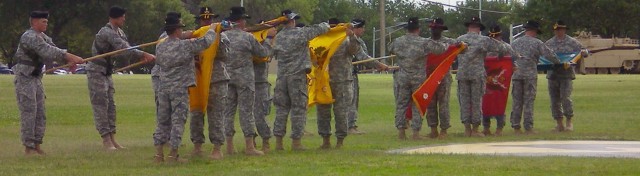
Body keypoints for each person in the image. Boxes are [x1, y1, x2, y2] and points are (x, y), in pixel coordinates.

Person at [13, 11, 84, 155]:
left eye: (46, 21)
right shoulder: (29, 36)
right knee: (29, 112)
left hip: (36, 78)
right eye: (43, 21)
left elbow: (54, 49)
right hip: (25, 78)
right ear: (33, 22)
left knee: (40, 113)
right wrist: (70, 56)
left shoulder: (44, 37)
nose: (46, 24)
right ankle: (29, 147)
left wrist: (68, 61)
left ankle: (37, 144)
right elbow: (47, 51)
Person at [87, 6, 155, 150]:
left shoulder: (120, 32)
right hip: (96, 71)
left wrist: (138, 58)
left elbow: (124, 52)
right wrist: (143, 54)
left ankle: (112, 138)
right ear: (115, 17)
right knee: (101, 105)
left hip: (107, 72)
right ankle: (106, 140)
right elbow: (123, 47)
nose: (124, 19)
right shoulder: (106, 32)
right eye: (122, 16)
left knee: (111, 105)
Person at [153, 13, 218, 163]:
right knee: (178, 120)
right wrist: (212, 29)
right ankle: (173, 154)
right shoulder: (185, 45)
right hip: (179, 88)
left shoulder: (160, 46)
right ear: (176, 30)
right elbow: (206, 42)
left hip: (163, 88)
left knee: (162, 121)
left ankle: (158, 154)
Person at [316, 18, 387, 149]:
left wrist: (378, 64)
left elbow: (359, 54)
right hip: (324, 82)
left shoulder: (346, 40)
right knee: (323, 112)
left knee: (341, 112)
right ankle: (325, 140)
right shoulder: (320, 40)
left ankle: (339, 141)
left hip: (342, 81)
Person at [272, 9, 330, 151]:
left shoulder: (278, 37)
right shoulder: (300, 34)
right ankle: (296, 142)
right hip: (296, 78)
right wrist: (328, 25)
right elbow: (320, 29)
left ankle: (278, 143)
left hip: (281, 78)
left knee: (281, 110)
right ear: (292, 21)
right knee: (298, 109)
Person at [222, 7, 274, 156]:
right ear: (240, 21)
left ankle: (229, 146)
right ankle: (249, 146)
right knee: (246, 112)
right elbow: (263, 53)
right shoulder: (247, 37)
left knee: (228, 112)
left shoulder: (223, 36)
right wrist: (268, 39)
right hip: (245, 79)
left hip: (227, 78)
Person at [389, 17, 447, 140]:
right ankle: (416, 133)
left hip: (402, 77)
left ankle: (401, 132)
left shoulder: (398, 41)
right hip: (418, 79)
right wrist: (448, 45)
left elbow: (390, 48)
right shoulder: (424, 42)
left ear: (407, 29)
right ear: (418, 29)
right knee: (417, 104)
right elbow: (439, 50)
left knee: (401, 105)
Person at [456, 17, 512, 137]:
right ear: (479, 28)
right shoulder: (484, 40)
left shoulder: (459, 40)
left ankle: (467, 129)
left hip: (462, 75)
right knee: (476, 102)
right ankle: (475, 130)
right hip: (477, 75)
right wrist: (501, 57)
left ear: (468, 27)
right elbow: (502, 48)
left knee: (465, 102)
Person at [510, 20, 561, 135]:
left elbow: (509, 56)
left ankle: (516, 126)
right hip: (530, 76)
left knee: (517, 101)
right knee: (528, 101)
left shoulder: (515, 42)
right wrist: (559, 62)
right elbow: (549, 55)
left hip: (516, 74)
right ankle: (528, 127)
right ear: (535, 31)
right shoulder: (537, 43)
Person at [188, 6, 220, 157]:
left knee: (215, 113)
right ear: (199, 20)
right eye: (204, 19)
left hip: (215, 78)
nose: (206, 21)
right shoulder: (192, 36)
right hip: (196, 77)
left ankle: (217, 147)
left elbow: (227, 55)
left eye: (209, 19)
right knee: (196, 112)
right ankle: (197, 146)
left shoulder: (220, 35)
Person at [347, 18, 388, 135]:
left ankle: (349, 126)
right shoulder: (351, 41)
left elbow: (364, 60)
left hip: (351, 73)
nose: (364, 30)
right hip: (348, 75)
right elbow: (362, 57)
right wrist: (379, 64)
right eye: (362, 28)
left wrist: (376, 66)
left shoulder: (357, 41)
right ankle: (350, 126)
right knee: (351, 101)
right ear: (355, 28)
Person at [545, 20, 585, 132]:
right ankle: (559, 124)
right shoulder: (548, 43)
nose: (558, 32)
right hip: (552, 75)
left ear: (564, 30)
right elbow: (543, 55)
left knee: (565, 98)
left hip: (566, 75)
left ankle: (569, 122)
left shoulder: (572, 42)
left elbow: (585, 51)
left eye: (560, 29)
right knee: (554, 100)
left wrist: (579, 55)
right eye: (556, 30)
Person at [425, 18, 457, 139]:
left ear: (441, 29)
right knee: (430, 105)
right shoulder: (426, 43)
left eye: (436, 28)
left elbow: (464, 49)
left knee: (443, 105)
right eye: (433, 28)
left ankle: (444, 130)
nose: (434, 30)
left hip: (444, 78)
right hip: (429, 78)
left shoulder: (449, 42)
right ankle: (433, 130)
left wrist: (461, 46)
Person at [482, 25, 514, 136]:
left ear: (500, 36)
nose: (495, 39)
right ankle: (486, 127)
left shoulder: (507, 47)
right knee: (486, 102)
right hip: (487, 80)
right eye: (492, 37)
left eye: (496, 37)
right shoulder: (485, 48)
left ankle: (499, 128)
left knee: (500, 102)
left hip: (501, 81)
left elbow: (513, 61)